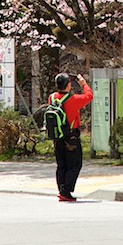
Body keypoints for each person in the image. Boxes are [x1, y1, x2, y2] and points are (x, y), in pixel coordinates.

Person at [50, 72, 93, 202]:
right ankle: (66, 190)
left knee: (61, 164)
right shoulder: (72, 100)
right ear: (68, 85)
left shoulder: (52, 98)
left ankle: (62, 189)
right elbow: (89, 96)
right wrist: (83, 84)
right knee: (74, 164)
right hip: (71, 137)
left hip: (57, 136)